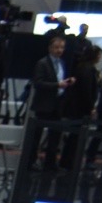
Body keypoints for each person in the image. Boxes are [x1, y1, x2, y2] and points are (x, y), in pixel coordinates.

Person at [30, 34, 74, 170]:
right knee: (36, 136)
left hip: (57, 104)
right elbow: (38, 83)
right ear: (50, 48)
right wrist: (57, 85)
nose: (59, 50)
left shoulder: (62, 63)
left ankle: (50, 163)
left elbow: (60, 80)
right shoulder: (42, 63)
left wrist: (67, 82)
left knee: (55, 136)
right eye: (56, 47)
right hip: (44, 104)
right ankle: (31, 161)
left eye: (62, 47)